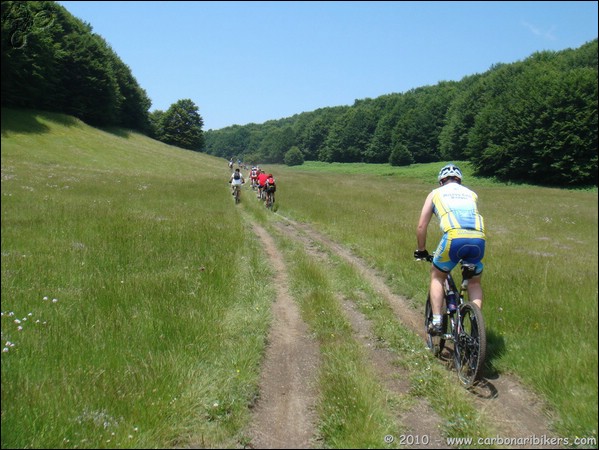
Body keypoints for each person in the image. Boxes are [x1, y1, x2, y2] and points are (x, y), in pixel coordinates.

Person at [414, 164, 486, 336]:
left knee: (437, 276)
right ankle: (476, 325)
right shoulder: (471, 193)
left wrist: (421, 249)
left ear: (441, 181)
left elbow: (421, 226)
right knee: (474, 282)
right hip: (478, 238)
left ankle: (437, 321)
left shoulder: (435, 193)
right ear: (459, 180)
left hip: (454, 237)